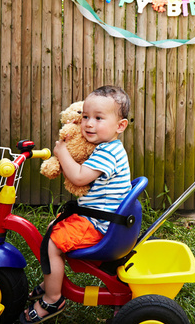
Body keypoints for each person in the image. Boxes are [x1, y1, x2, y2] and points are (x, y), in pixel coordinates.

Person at [22, 85, 132, 323]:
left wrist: (61, 151)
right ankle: (53, 279)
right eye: (85, 117)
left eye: (98, 118)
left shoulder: (108, 152)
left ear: (120, 126)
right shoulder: (107, 147)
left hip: (99, 225)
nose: (88, 124)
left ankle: (53, 300)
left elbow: (79, 177)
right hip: (100, 218)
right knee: (55, 225)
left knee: (52, 244)